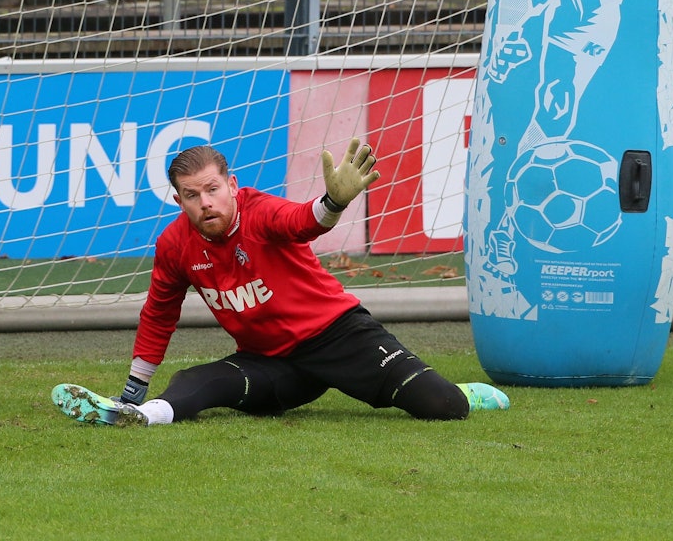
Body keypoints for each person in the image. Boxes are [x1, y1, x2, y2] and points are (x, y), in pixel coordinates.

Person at [51, 138, 509, 426]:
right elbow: (159, 313)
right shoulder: (174, 245)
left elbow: (302, 222)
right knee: (198, 381)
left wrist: (332, 201)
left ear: (232, 185)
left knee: (442, 407)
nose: (205, 202)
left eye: (213, 189)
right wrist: (135, 385)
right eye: (192, 196)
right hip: (272, 362)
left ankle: (462, 390)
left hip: (338, 336)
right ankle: (134, 415)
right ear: (179, 199)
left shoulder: (261, 211)